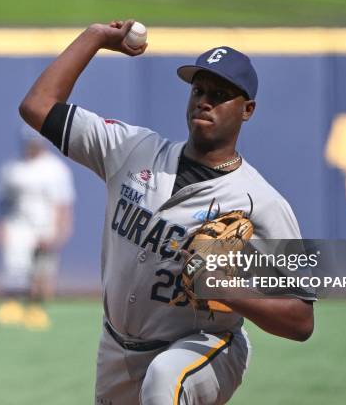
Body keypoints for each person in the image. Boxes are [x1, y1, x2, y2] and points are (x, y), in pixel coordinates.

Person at [19, 20, 314, 404]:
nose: (204, 101)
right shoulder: (133, 150)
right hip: (117, 347)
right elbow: (37, 106)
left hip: (206, 347)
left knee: (165, 378)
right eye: (199, 90)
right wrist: (95, 37)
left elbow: (302, 319)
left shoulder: (262, 203)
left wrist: (230, 289)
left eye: (220, 94)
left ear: (248, 110)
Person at [0, 129, 75, 330]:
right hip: (18, 223)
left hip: (44, 223)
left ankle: (36, 309)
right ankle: (11, 305)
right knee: (15, 265)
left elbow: (63, 203)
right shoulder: (13, 167)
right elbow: (3, 201)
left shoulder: (55, 169)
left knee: (43, 269)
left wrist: (61, 229)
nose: (32, 145)